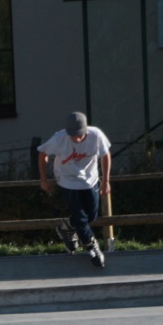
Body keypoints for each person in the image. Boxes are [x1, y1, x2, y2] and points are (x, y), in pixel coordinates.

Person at [37, 111, 112, 269]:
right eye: (73, 136)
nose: (76, 139)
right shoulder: (59, 138)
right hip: (67, 181)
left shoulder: (96, 135)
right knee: (80, 218)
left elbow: (105, 155)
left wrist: (106, 181)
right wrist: (43, 179)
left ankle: (66, 226)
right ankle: (92, 248)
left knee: (91, 215)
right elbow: (43, 153)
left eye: (79, 135)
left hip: (90, 180)